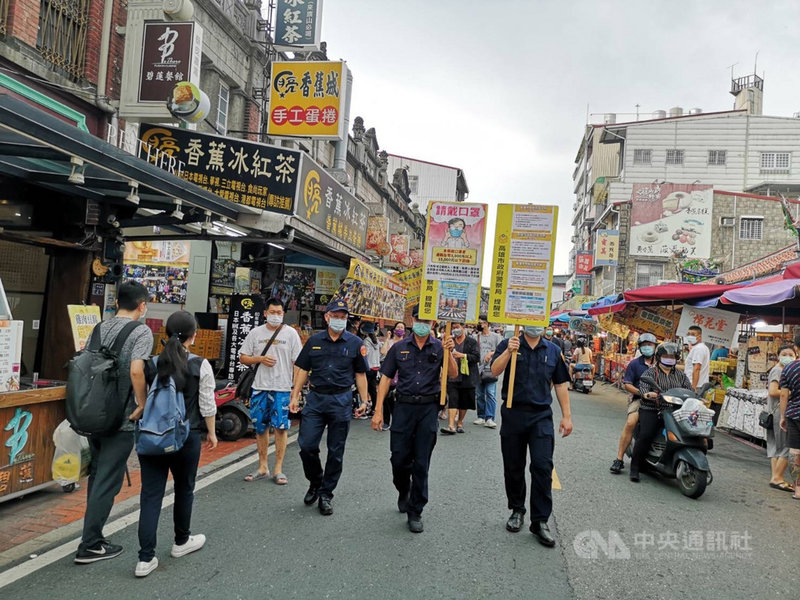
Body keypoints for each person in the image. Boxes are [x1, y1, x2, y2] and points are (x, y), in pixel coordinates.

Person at [74, 281, 154, 564]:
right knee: (108, 481)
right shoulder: (141, 331)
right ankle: (90, 544)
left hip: (94, 414)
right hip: (122, 418)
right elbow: (136, 370)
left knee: (98, 477)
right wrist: (142, 402)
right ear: (142, 305)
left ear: (117, 301)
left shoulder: (98, 328)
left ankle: (92, 535)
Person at [135, 311, 218, 578]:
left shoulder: (151, 364)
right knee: (184, 488)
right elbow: (207, 404)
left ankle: (145, 559)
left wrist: (142, 404)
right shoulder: (200, 364)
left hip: (153, 436)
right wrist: (212, 433)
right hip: (186, 436)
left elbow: (136, 376)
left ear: (166, 333)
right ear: (194, 336)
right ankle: (181, 542)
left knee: (150, 495)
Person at [371, 306, 457, 533]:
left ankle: (416, 509)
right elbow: (386, 378)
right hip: (403, 407)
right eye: (420, 319)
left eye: (428, 320)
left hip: (428, 409)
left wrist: (450, 352)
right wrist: (378, 410)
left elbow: (453, 374)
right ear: (413, 320)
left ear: (433, 323)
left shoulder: (440, 347)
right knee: (399, 459)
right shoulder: (399, 348)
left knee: (421, 462)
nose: (423, 323)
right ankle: (403, 490)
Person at [490, 325, 573, 547]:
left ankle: (540, 521)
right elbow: (494, 370)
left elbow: (561, 384)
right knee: (513, 465)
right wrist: (509, 351)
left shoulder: (553, 350)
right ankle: (517, 509)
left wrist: (567, 416)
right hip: (513, 412)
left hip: (541, 416)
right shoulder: (510, 343)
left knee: (542, 466)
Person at [290, 300, 369, 515]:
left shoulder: (354, 343)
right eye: (336, 315)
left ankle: (326, 494)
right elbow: (302, 369)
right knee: (306, 445)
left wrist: (364, 400)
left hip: (341, 400)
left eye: (343, 317)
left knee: (336, 451)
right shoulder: (314, 341)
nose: (339, 320)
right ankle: (315, 481)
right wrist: (294, 395)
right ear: (327, 317)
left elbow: (361, 374)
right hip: (316, 399)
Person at [239, 297, 302, 485]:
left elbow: (298, 364)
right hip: (260, 388)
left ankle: (278, 469)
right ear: (265, 313)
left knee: (281, 428)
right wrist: (259, 358)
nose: (276, 316)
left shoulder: (291, 334)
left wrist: (295, 392)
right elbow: (243, 357)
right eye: (272, 312)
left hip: (282, 389)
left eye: (279, 313)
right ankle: (262, 466)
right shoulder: (255, 333)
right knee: (260, 427)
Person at [632, 342, 693, 482]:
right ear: (659, 357)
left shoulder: (680, 375)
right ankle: (635, 467)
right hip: (652, 408)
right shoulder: (650, 372)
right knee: (646, 434)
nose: (669, 359)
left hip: (675, 410)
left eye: (672, 356)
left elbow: (689, 390)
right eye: (666, 356)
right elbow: (643, 388)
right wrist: (648, 395)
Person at [610, 333, 657, 474]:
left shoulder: (662, 364)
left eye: (650, 345)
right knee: (631, 423)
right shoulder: (635, 364)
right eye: (644, 345)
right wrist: (642, 393)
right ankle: (619, 459)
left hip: (662, 401)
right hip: (639, 399)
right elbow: (627, 384)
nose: (647, 347)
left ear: (655, 346)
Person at [441, 321, 480, 435]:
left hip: (467, 376)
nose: (455, 330)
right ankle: (451, 425)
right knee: (453, 399)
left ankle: (460, 422)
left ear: (463, 327)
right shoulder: (450, 341)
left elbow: (477, 357)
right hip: (453, 376)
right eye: (453, 328)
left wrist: (463, 356)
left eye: (457, 327)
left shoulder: (472, 342)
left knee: (464, 400)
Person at [767, 345, 795, 492]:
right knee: (785, 445)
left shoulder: (782, 370)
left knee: (775, 446)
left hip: (774, 411)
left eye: (791, 354)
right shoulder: (778, 370)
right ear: (778, 356)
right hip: (779, 411)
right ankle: (777, 478)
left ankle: (775, 477)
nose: (788, 356)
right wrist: (792, 391)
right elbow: (773, 391)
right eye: (784, 354)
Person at [779, 334, 800, 500]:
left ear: (796, 349)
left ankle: (798, 489)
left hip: (794, 414)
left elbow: (784, 396)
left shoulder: (789, 369)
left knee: (794, 450)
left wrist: (783, 416)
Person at [473, 316, 502, 428]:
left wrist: (491, 353)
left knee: (490, 393)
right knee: (479, 394)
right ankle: (481, 415)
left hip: (492, 368)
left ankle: (490, 417)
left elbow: (501, 350)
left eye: (482, 323)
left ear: (487, 323)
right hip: (478, 369)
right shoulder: (476, 337)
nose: (480, 325)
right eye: (479, 323)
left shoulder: (496, 337)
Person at [379, 322, 406, 431]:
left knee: (397, 400)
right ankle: (386, 421)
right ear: (394, 329)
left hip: (401, 375)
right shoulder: (390, 342)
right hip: (389, 375)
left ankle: (397, 421)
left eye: (402, 328)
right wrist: (388, 338)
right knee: (385, 398)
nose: (400, 329)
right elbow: (383, 352)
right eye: (398, 327)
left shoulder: (406, 343)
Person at [359, 321, 382, 417]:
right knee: (372, 389)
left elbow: (365, 354)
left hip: (368, 367)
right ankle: (374, 409)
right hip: (376, 367)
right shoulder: (376, 340)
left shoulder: (366, 341)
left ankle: (363, 407)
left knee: (364, 388)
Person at [685, 325, 710, 393]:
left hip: (696, 386)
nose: (690, 336)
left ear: (699, 337)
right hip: (699, 385)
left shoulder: (698, 349)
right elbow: (691, 367)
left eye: (693, 334)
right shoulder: (703, 347)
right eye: (688, 334)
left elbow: (697, 369)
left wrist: (693, 388)